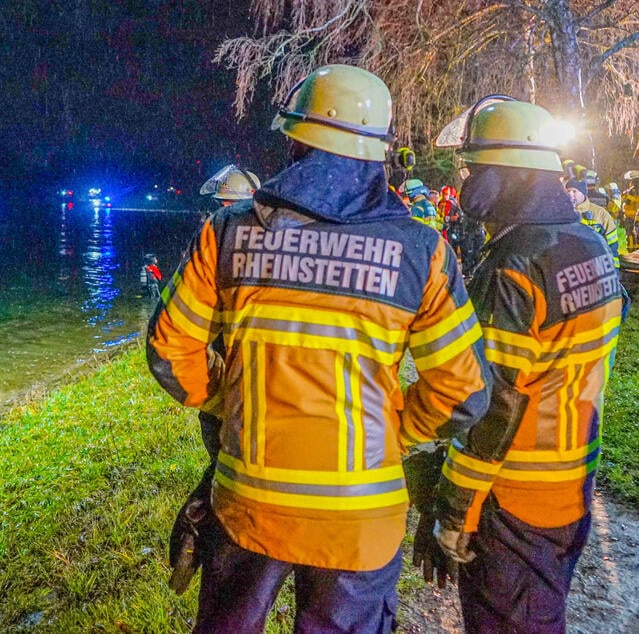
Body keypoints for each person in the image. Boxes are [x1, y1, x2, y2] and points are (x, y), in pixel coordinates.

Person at [147, 64, 490, 633]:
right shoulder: (421, 250)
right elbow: (464, 392)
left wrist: (234, 403)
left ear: (297, 141)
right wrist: (393, 432)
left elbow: (168, 351)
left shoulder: (228, 231)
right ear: (379, 153)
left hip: (248, 502)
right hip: (359, 517)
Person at [430, 98, 627, 633]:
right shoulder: (590, 244)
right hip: (571, 487)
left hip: (512, 502)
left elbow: (492, 403)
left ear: (507, 171)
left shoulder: (514, 265)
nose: (467, 180)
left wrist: (455, 509)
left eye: (474, 166)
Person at [169, 164, 262, 595]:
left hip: (236, 383)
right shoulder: (241, 243)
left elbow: (171, 338)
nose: (221, 213)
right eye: (219, 206)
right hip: (230, 383)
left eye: (226, 205)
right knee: (228, 464)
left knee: (232, 468)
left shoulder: (222, 242)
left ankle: (201, 523)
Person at [567, 180, 620, 270]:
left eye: (574, 191)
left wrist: (614, 272)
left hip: (595, 270)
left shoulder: (600, 214)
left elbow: (612, 247)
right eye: (568, 191)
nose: (570, 194)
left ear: (583, 193)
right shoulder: (561, 213)